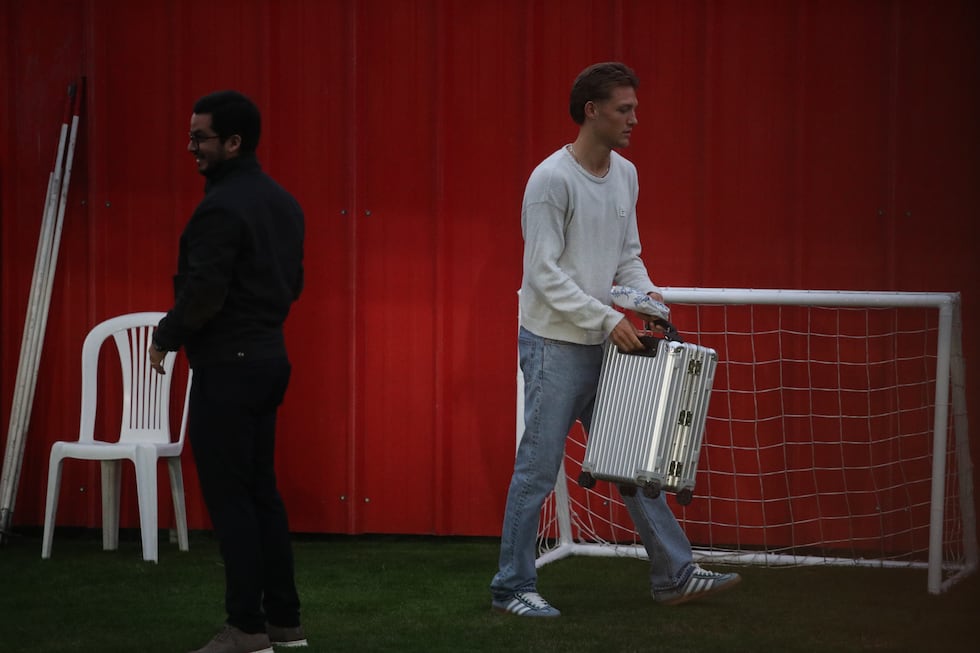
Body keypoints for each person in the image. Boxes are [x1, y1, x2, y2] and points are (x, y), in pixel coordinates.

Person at [490, 62, 741, 617]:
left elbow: (628, 257)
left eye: (634, 108)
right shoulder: (550, 180)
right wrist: (608, 318)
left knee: (634, 459)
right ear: (591, 111)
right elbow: (543, 274)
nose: (634, 119)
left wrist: (649, 305)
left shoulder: (625, 173)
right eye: (624, 109)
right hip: (554, 345)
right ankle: (511, 588)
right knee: (537, 467)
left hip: (605, 343)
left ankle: (674, 575)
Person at [149, 90, 307, 653]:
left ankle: (246, 628)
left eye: (201, 138)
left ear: (233, 142)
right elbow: (293, 285)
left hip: (230, 368)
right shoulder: (283, 203)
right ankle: (284, 624)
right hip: (269, 359)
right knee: (261, 492)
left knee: (232, 499)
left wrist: (166, 336)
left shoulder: (220, 208)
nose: (191, 147)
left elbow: (204, 291)